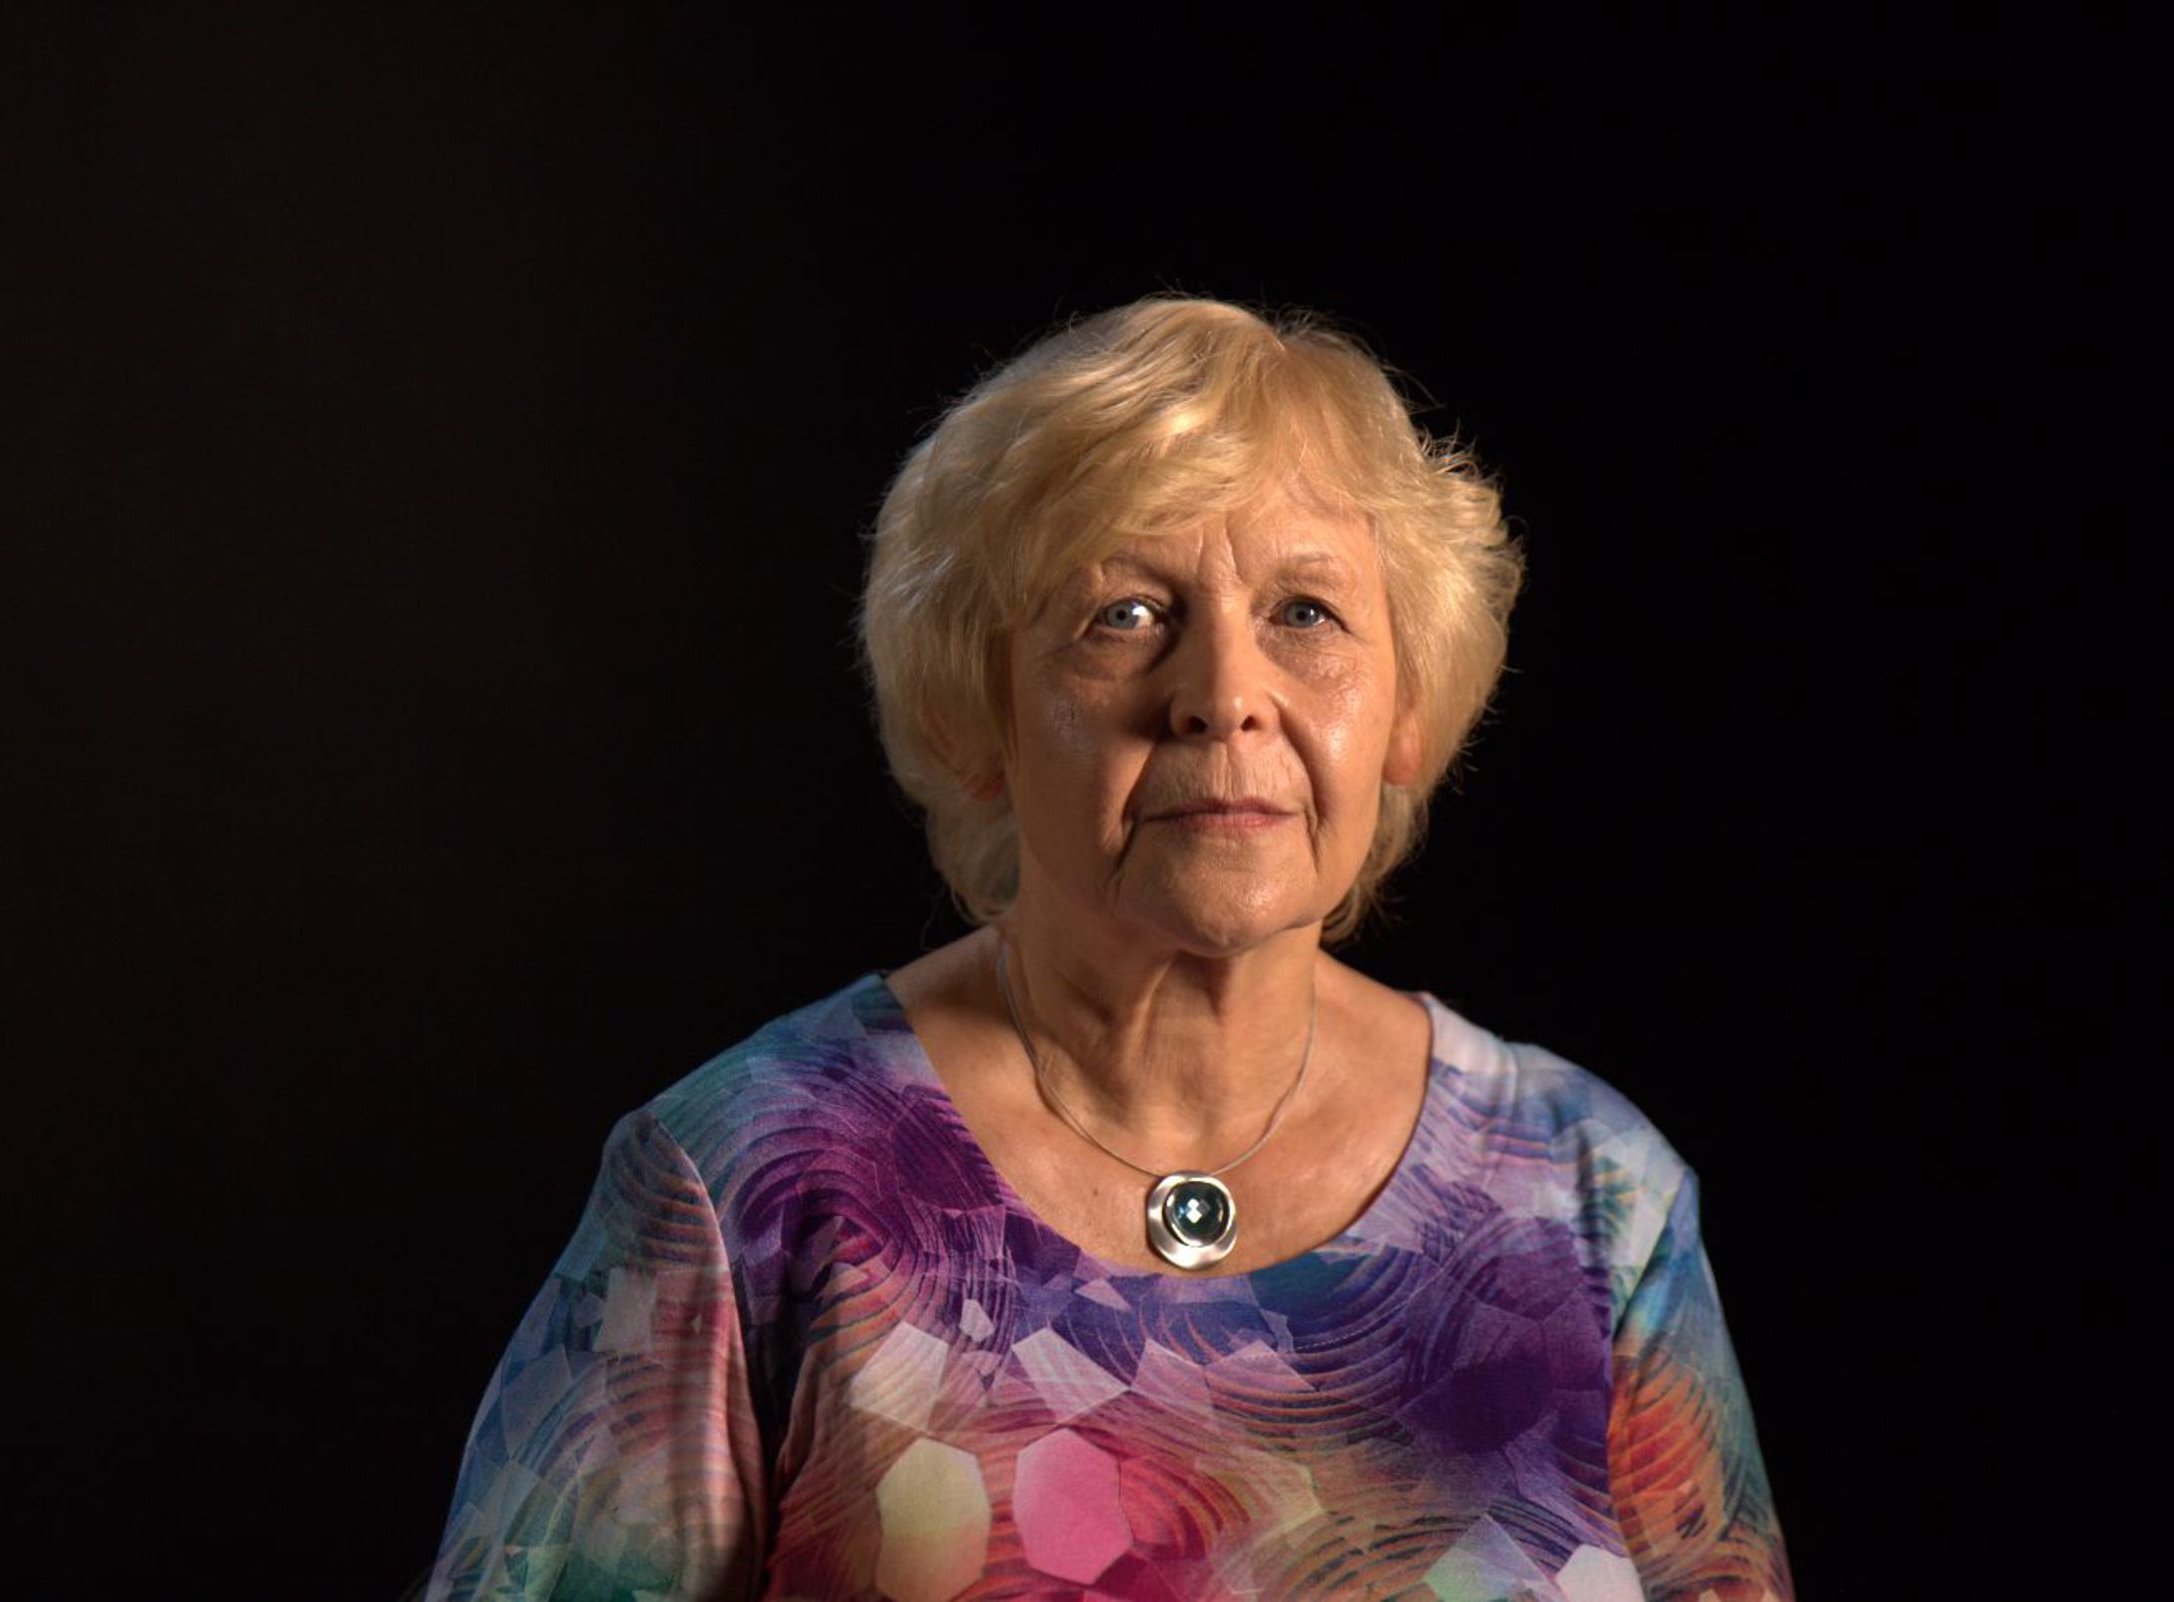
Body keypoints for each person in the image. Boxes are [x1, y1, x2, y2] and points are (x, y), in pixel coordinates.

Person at [419, 297, 1793, 1600]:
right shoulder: (747, 1186)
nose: (1223, 696)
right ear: (979, 714)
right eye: (1124, 615)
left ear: (1409, 709)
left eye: (1305, 614)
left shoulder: (1591, 1195)